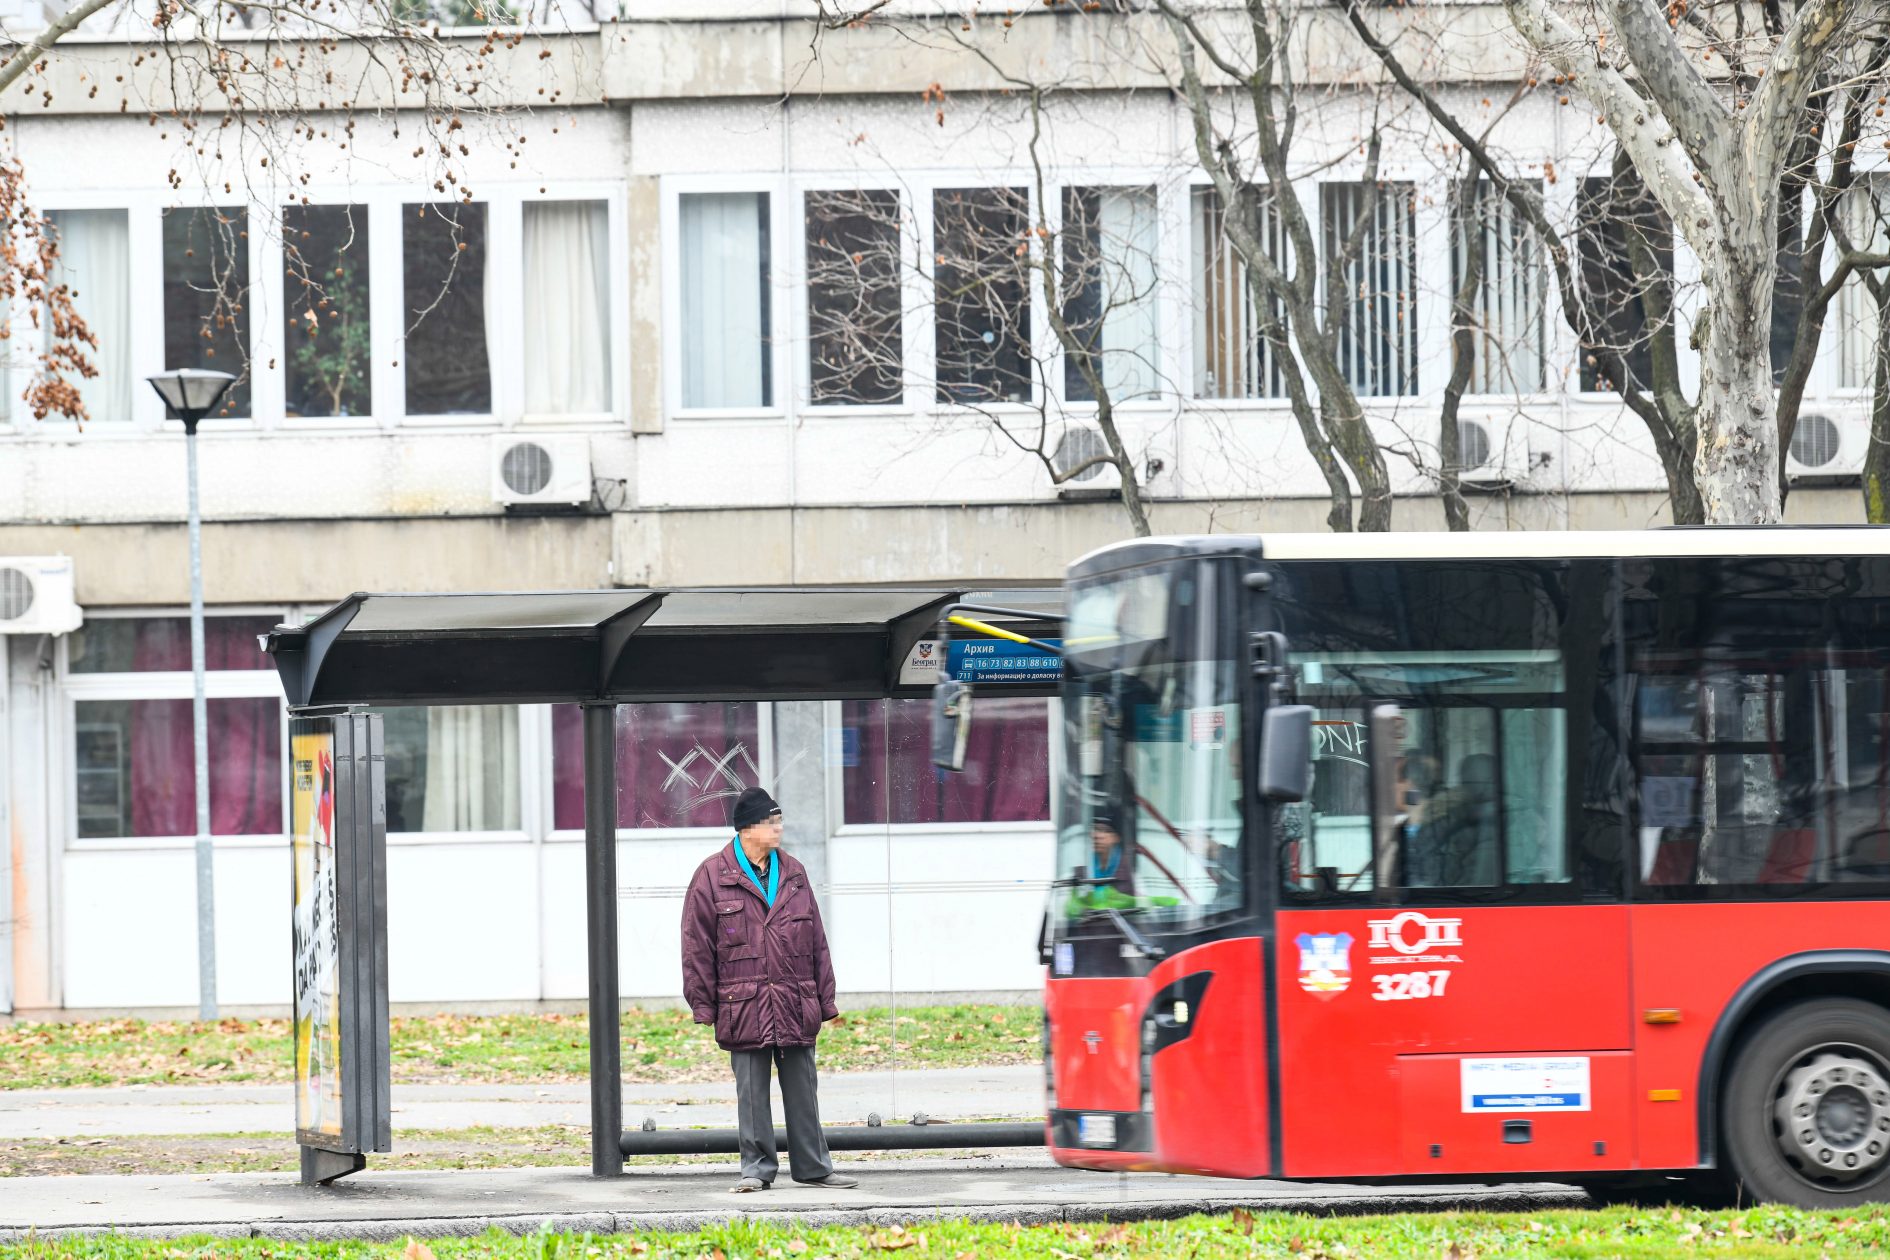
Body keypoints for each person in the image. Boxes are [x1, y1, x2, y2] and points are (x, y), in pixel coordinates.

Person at [681, 786, 860, 1194]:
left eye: (779, 820)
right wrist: (702, 1005)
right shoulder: (711, 875)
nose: (778, 828)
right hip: (741, 1002)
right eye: (771, 822)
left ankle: (814, 1167)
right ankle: (756, 1171)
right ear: (747, 829)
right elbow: (696, 946)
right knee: (751, 1092)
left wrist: (825, 999)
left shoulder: (794, 871)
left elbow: (816, 939)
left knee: (803, 1087)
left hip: (795, 998)